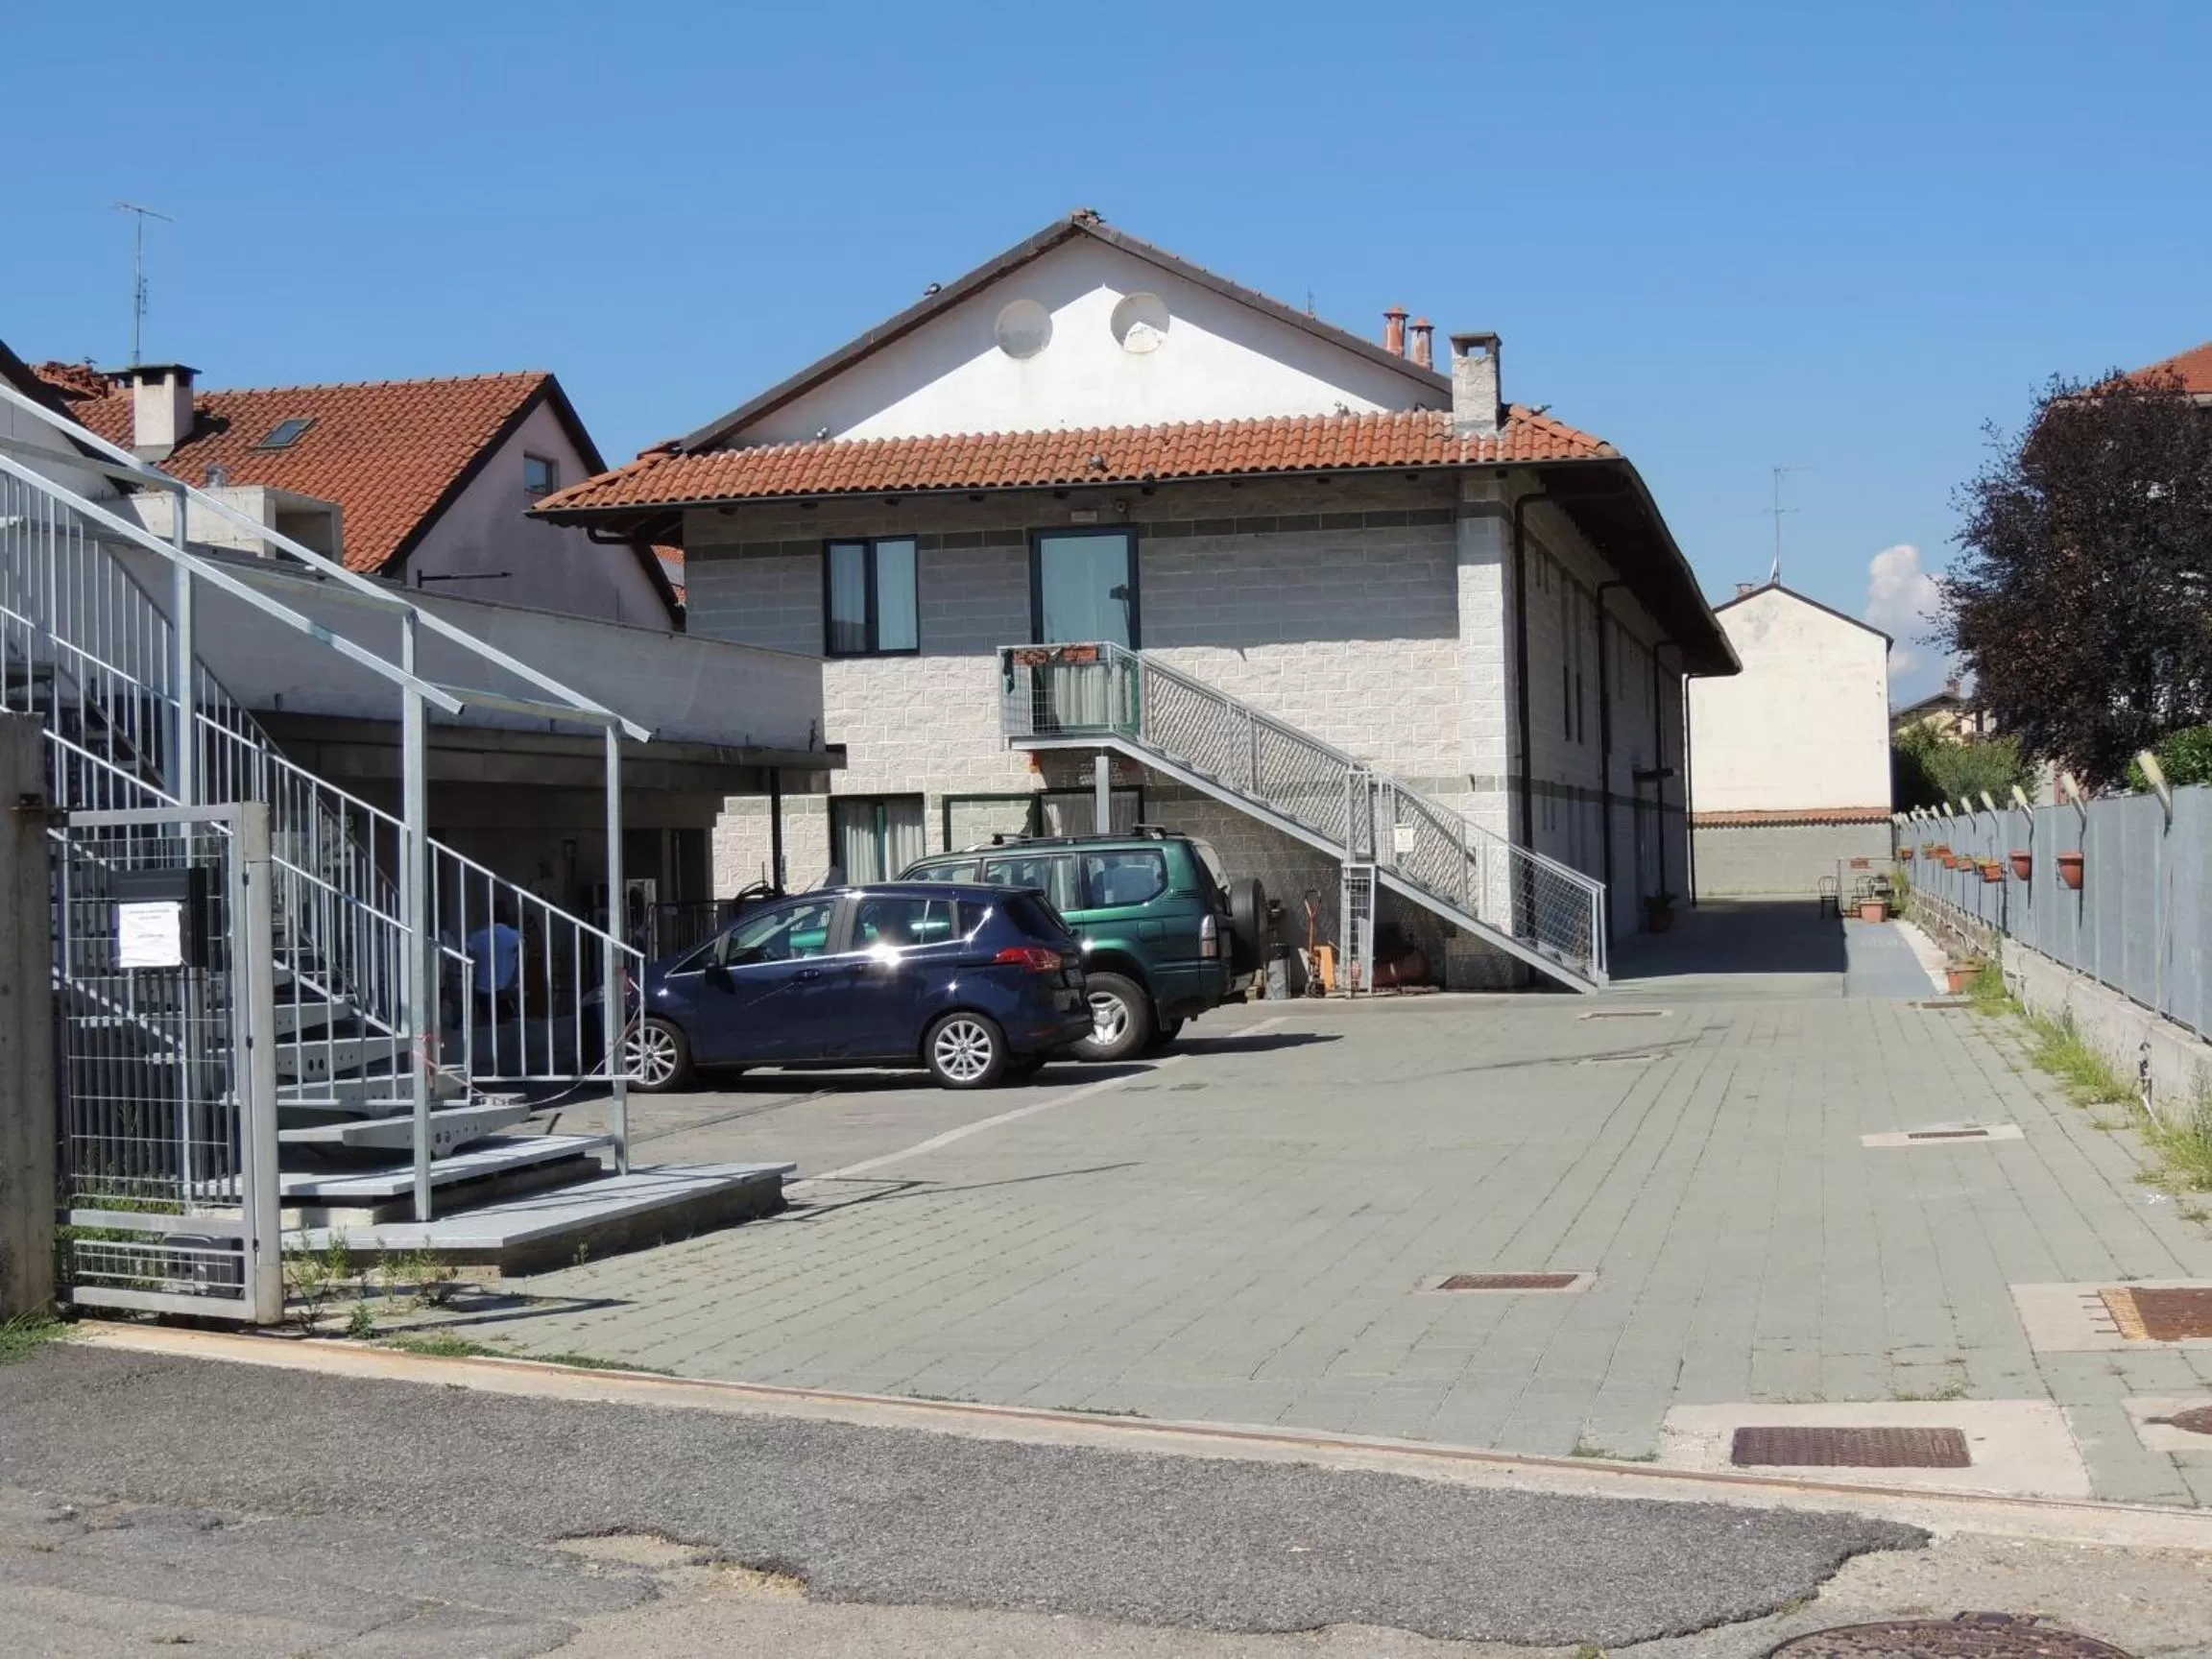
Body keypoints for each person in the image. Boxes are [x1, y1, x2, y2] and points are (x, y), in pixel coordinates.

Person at [466, 906, 523, 1022]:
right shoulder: (515, 936)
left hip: (483, 987)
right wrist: (514, 982)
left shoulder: (478, 936)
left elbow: (467, 955)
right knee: (508, 1025)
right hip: (507, 986)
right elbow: (523, 959)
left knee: (488, 1024)